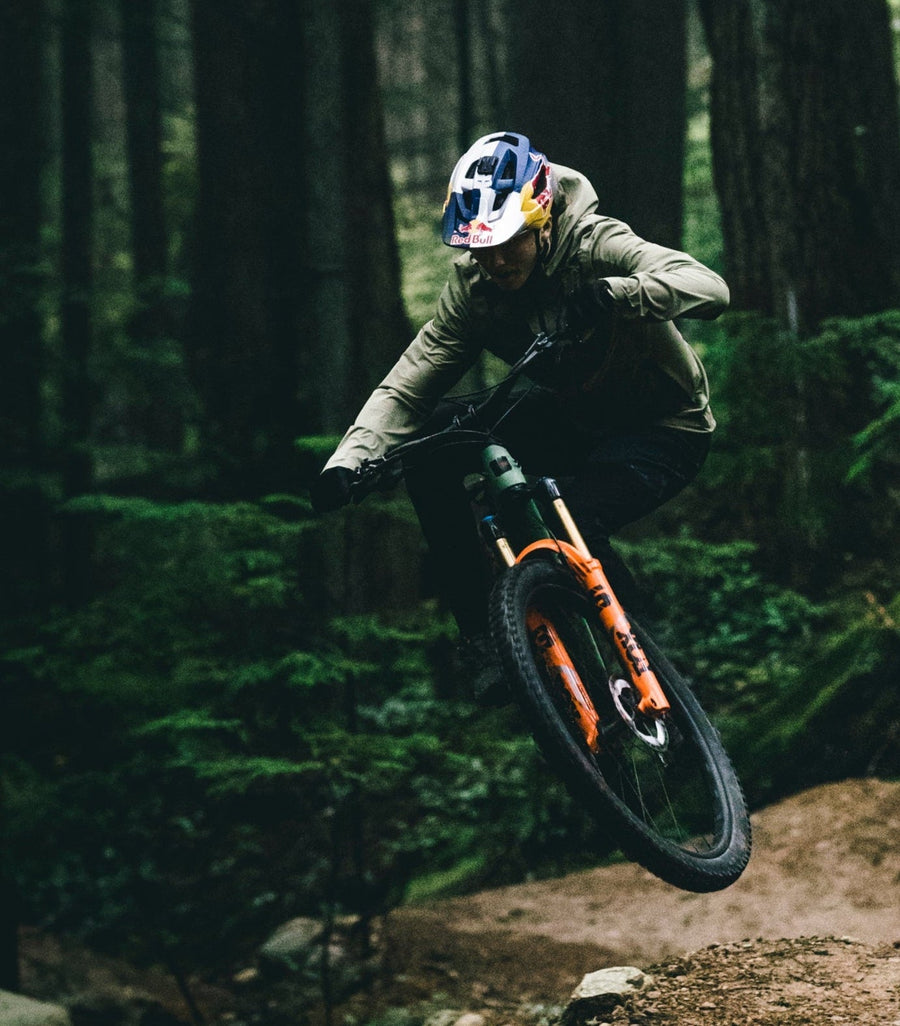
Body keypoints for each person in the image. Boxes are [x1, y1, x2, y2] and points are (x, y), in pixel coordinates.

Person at [311, 130, 729, 701]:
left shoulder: (594, 244)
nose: (497, 259)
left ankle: (652, 666)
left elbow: (709, 288)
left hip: (663, 426)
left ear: (542, 221)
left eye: (510, 241)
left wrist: (619, 294)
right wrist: (348, 462)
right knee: (433, 445)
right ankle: (485, 641)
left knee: (572, 520)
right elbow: (410, 383)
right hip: (577, 419)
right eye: (482, 245)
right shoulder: (475, 289)